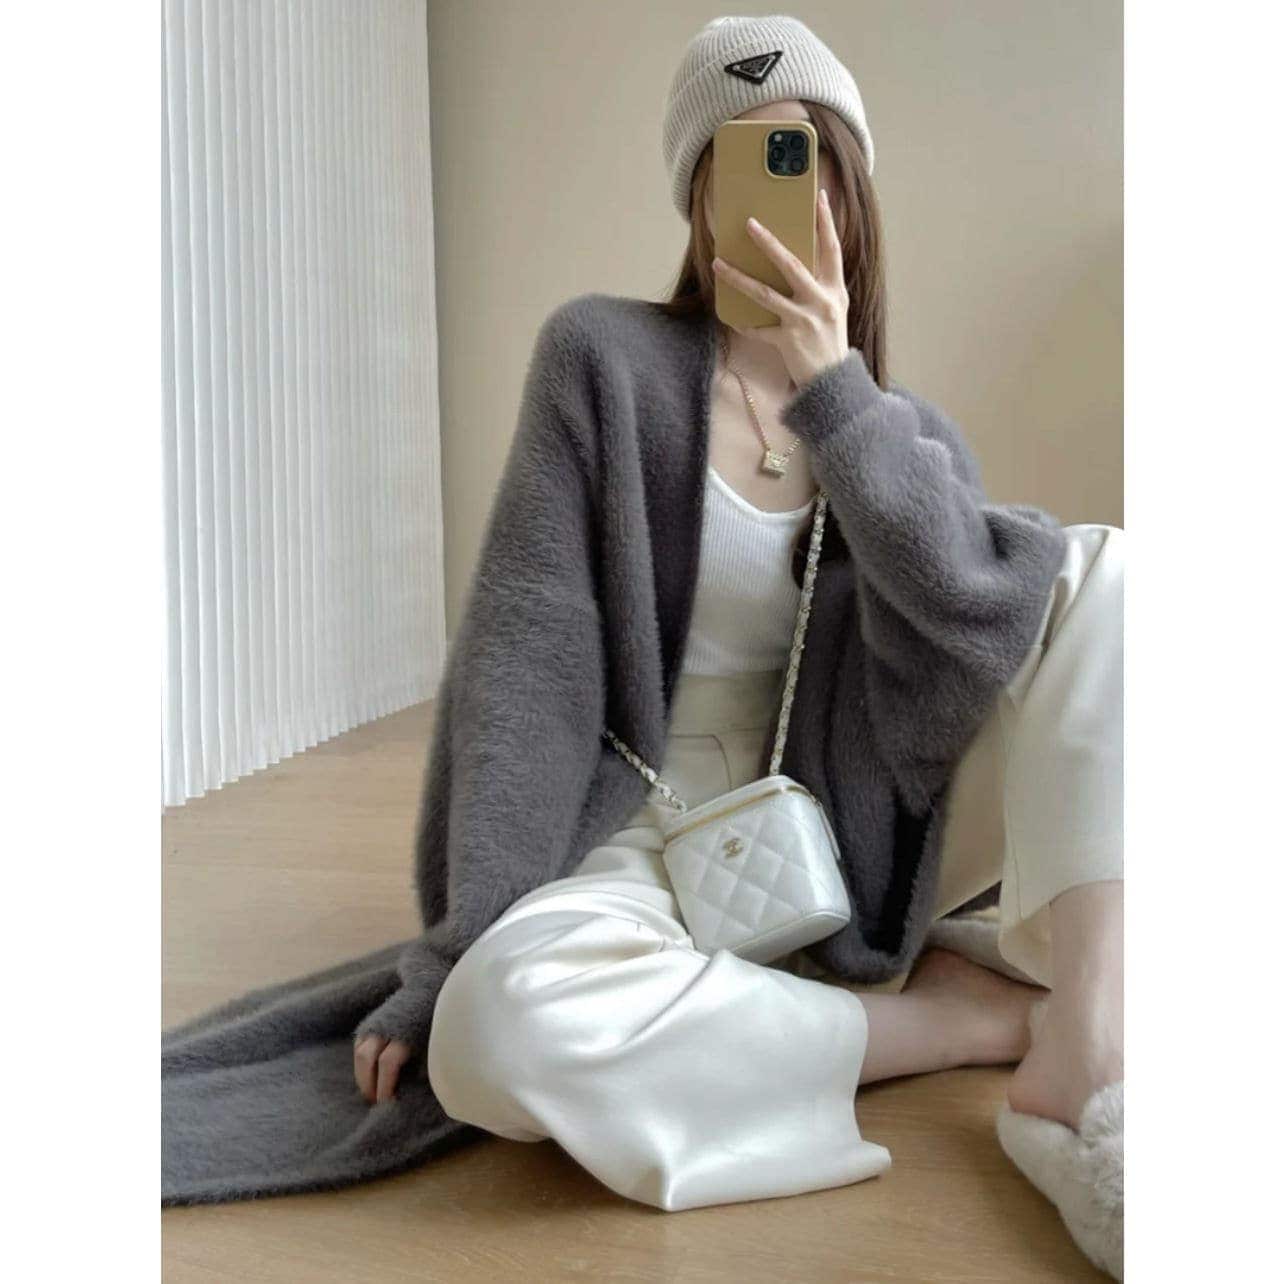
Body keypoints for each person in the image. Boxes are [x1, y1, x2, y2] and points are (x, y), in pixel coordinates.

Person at [353, 14, 1123, 1276]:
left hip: (851, 811)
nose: (787, 196)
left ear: (852, 189)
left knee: (1112, 569)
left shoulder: (897, 425)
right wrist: (456, 948)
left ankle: (1091, 1036)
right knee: (496, 1027)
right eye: (747, 163)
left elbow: (971, 628)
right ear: (698, 199)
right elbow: (527, 663)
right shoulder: (602, 362)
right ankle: (953, 1025)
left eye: (807, 157)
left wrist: (836, 393)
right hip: (648, 819)